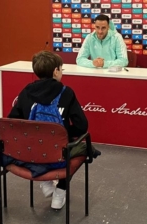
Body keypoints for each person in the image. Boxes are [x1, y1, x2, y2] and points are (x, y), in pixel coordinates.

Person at [8, 51, 89, 210]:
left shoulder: (26, 91)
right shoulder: (66, 92)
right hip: (58, 155)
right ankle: (60, 191)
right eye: (61, 69)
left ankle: (45, 181)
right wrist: (63, 133)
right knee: (86, 148)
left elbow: (12, 122)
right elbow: (82, 126)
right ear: (56, 71)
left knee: (37, 145)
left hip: (27, 153)